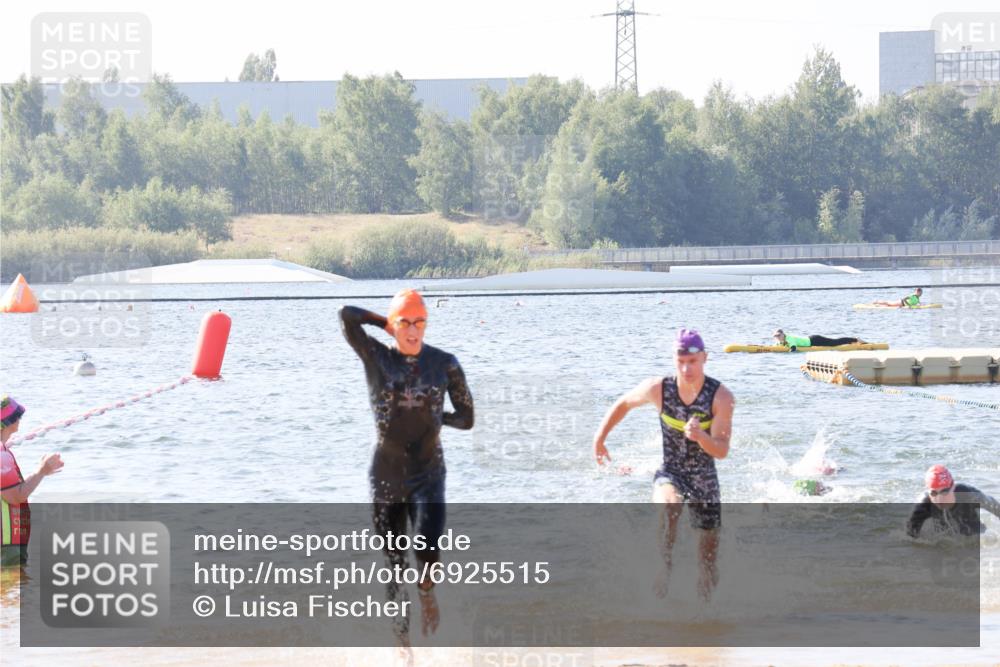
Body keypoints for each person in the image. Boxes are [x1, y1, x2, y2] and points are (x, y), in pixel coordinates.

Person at [339, 289, 474, 648]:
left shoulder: (445, 364)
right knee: (395, 566)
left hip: (429, 473)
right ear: (394, 325)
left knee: (427, 552)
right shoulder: (376, 356)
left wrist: (432, 418)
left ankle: (427, 591)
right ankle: (403, 649)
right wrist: (385, 323)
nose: (413, 331)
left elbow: (467, 419)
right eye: (405, 323)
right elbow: (347, 315)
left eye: (420, 323)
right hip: (386, 476)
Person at [592, 329, 735, 601]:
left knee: (706, 565)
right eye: (680, 361)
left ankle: (705, 626)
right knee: (668, 505)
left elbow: (722, 450)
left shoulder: (721, 398)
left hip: (705, 479)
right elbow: (624, 404)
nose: (686, 368)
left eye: (692, 362)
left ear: (704, 358)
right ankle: (663, 566)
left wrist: (701, 437)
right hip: (671, 471)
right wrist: (600, 438)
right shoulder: (659, 389)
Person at [1, 395, 64, 567]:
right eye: (17, 415)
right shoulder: (1, 456)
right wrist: (41, 471)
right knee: (11, 588)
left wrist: (41, 472)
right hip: (6, 543)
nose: (20, 419)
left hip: (8, 541)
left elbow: (13, 488)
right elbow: (16, 495)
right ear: (10, 421)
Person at [906, 464, 1000, 538]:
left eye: (945, 491)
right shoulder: (922, 505)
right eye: (934, 493)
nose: (939, 499)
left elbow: (996, 507)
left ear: (953, 487)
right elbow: (910, 537)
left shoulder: (969, 495)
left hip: (976, 538)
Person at [772, 329, 868, 350]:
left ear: (783, 334)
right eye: (776, 336)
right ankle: (853, 340)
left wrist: (788, 352)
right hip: (811, 339)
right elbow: (779, 345)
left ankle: (855, 339)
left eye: (779, 336)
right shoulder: (783, 340)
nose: (777, 338)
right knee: (834, 342)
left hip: (814, 340)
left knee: (835, 343)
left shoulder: (789, 338)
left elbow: (793, 348)